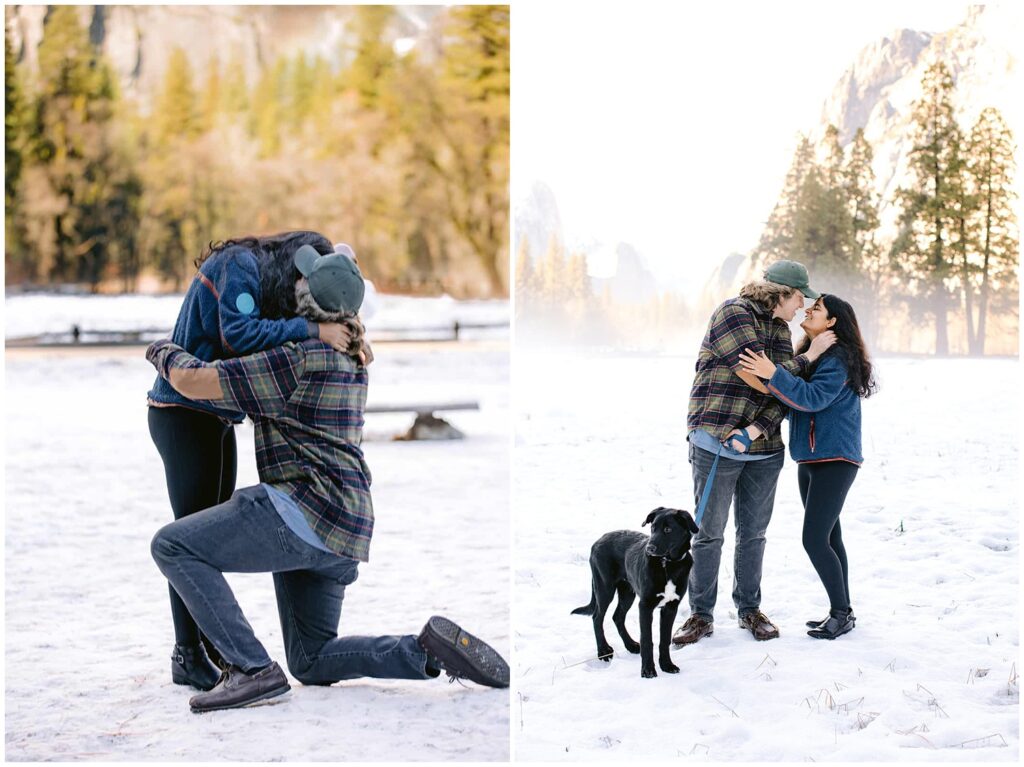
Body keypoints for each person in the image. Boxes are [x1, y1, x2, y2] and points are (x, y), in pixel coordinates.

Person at [147, 246, 508, 712]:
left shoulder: (293, 360)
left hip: (298, 513)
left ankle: (252, 669)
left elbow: (193, 381)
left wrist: (162, 349)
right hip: (346, 528)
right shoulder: (355, 356)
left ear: (306, 299)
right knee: (312, 660)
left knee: (172, 546)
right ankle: (422, 651)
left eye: (301, 280)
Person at [147, 231, 361, 691]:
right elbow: (240, 334)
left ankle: (203, 651)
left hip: (216, 414)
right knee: (188, 534)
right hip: (182, 411)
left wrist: (339, 332)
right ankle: (189, 654)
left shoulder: (268, 281)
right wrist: (314, 330)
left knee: (199, 533)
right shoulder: (240, 265)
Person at [672, 260, 837, 648]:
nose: (801, 307)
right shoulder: (733, 313)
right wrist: (808, 357)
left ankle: (749, 609)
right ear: (781, 292)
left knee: (754, 535)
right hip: (715, 440)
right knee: (708, 533)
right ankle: (700, 614)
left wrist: (755, 427)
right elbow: (765, 379)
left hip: (762, 448)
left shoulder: (780, 330)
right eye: (800, 298)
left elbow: (784, 390)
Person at [738, 293, 876, 640]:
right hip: (812, 458)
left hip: (835, 459)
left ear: (832, 322)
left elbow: (811, 398)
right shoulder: (812, 355)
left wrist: (772, 373)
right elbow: (791, 394)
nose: (808, 310)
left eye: (817, 309)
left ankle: (841, 613)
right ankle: (842, 611)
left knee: (814, 539)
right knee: (831, 536)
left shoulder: (839, 358)